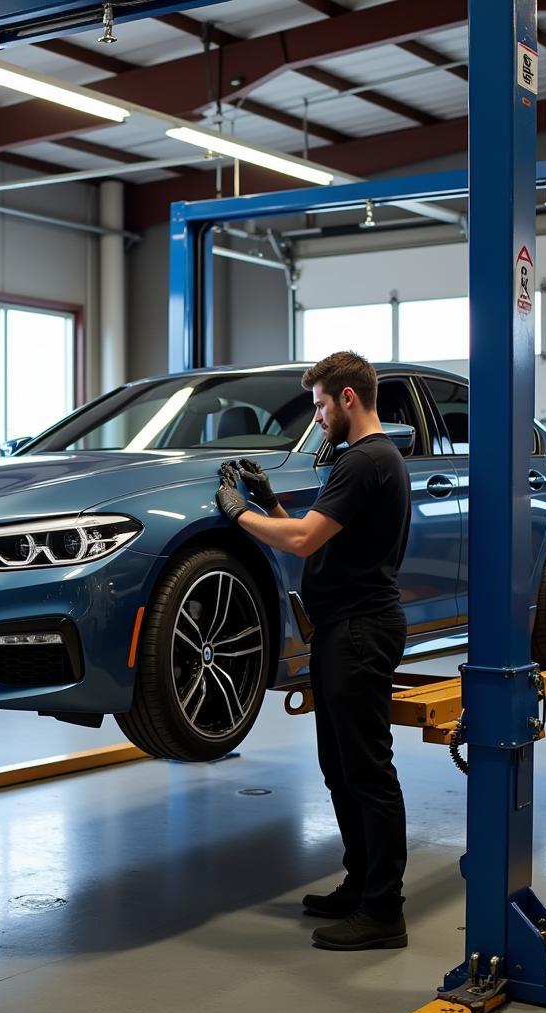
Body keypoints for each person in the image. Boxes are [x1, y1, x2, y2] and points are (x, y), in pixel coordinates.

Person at [215, 351, 411, 952]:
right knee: (340, 768)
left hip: (360, 629)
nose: (320, 417)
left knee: (368, 771)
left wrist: (241, 514)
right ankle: (360, 883)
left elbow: (301, 541)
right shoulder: (367, 460)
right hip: (343, 629)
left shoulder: (367, 460)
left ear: (348, 398)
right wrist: (269, 500)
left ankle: (383, 911)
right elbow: (319, 535)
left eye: (323, 405)